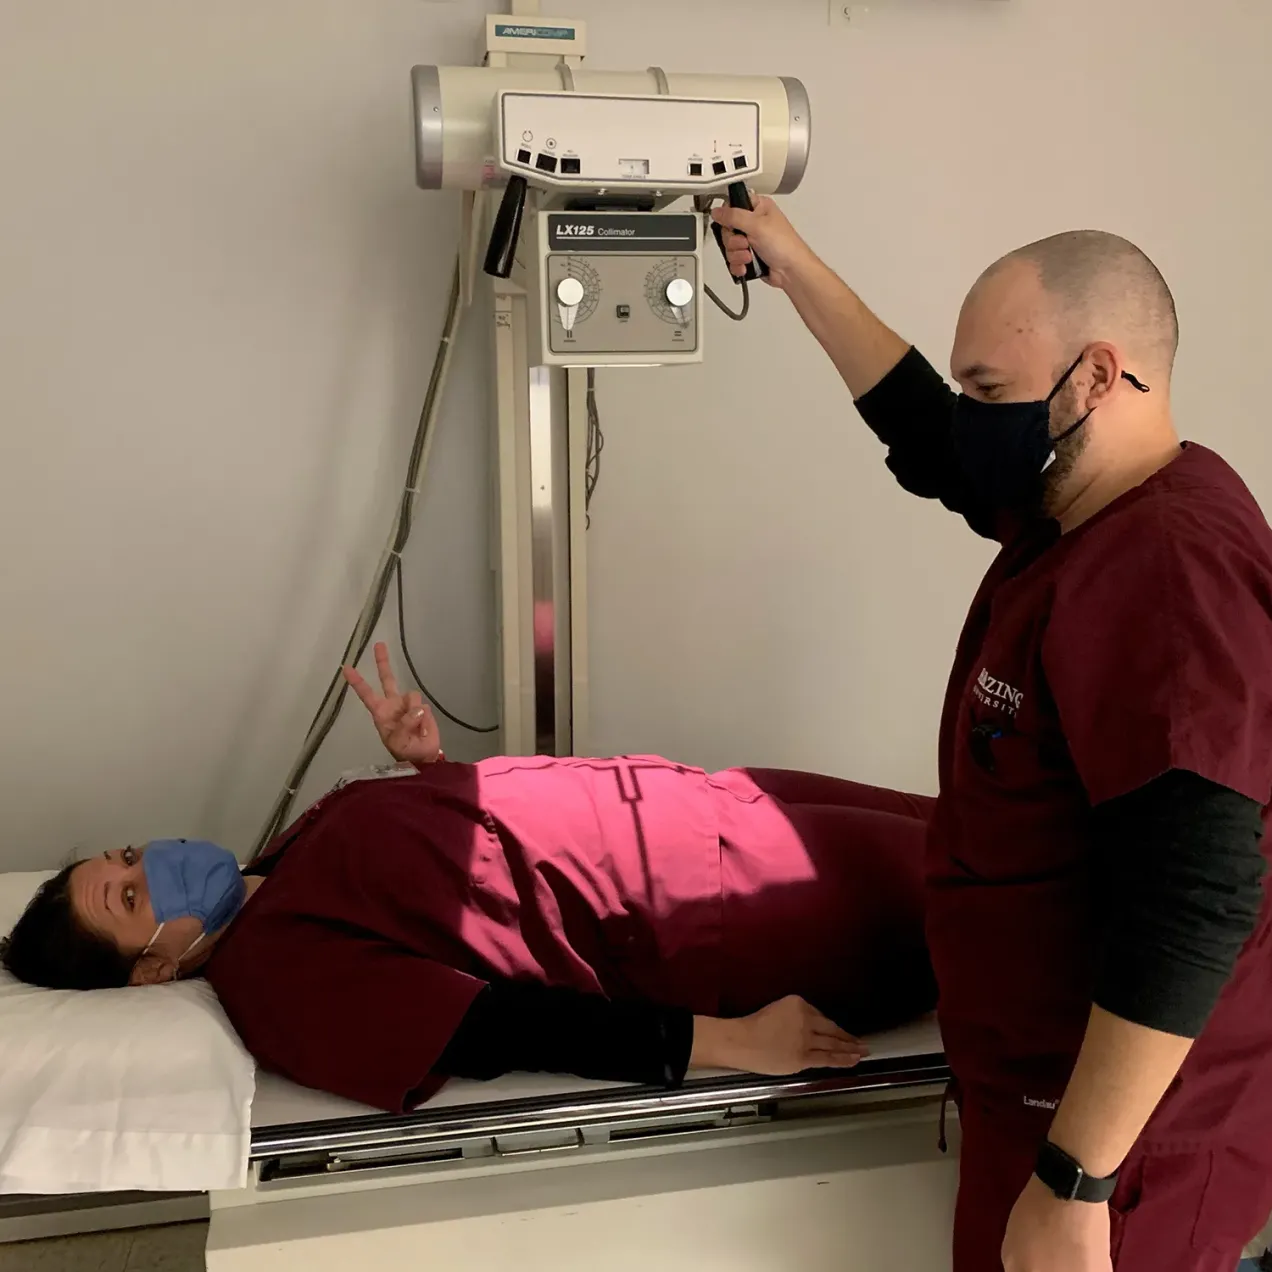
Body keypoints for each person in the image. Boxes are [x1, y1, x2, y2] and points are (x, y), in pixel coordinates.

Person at [710, 200, 1272, 1272]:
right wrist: (794, 266)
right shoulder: (1079, 502)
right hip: (1040, 1105)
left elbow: (1197, 893)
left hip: (1127, 1156)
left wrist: (1075, 1185)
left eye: (991, 392)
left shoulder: (1164, 569)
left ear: (1099, 376)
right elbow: (930, 434)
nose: (970, 418)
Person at [1, 644, 937, 1114]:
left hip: (701, 807)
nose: (147, 867)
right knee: (999, 889)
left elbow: (452, 886)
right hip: (716, 910)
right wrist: (728, 1045)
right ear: (156, 971)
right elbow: (496, 1024)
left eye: (126, 857)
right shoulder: (277, 980)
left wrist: (427, 767)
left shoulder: (271, 869)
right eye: (131, 900)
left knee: (971, 822)